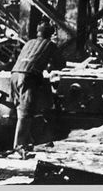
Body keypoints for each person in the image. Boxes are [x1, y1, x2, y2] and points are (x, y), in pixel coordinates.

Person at [10, 22, 65, 152]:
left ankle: (28, 140)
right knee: (25, 113)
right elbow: (61, 63)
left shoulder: (29, 43)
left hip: (14, 75)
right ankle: (18, 147)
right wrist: (51, 66)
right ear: (50, 34)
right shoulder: (50, 44)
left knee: (21, 109)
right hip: (28, 77)